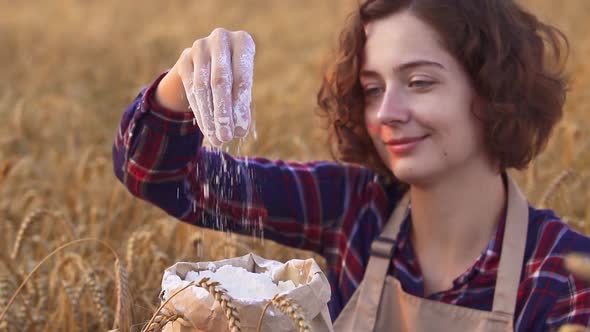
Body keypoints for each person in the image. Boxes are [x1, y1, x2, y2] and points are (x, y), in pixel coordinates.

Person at [112, 0, 590, 330]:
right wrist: (183, 82)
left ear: (493, 91)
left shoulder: (564, 276)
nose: (386, 113)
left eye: (420, 82)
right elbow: (159, 175)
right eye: (373, 89)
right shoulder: (352, 208)